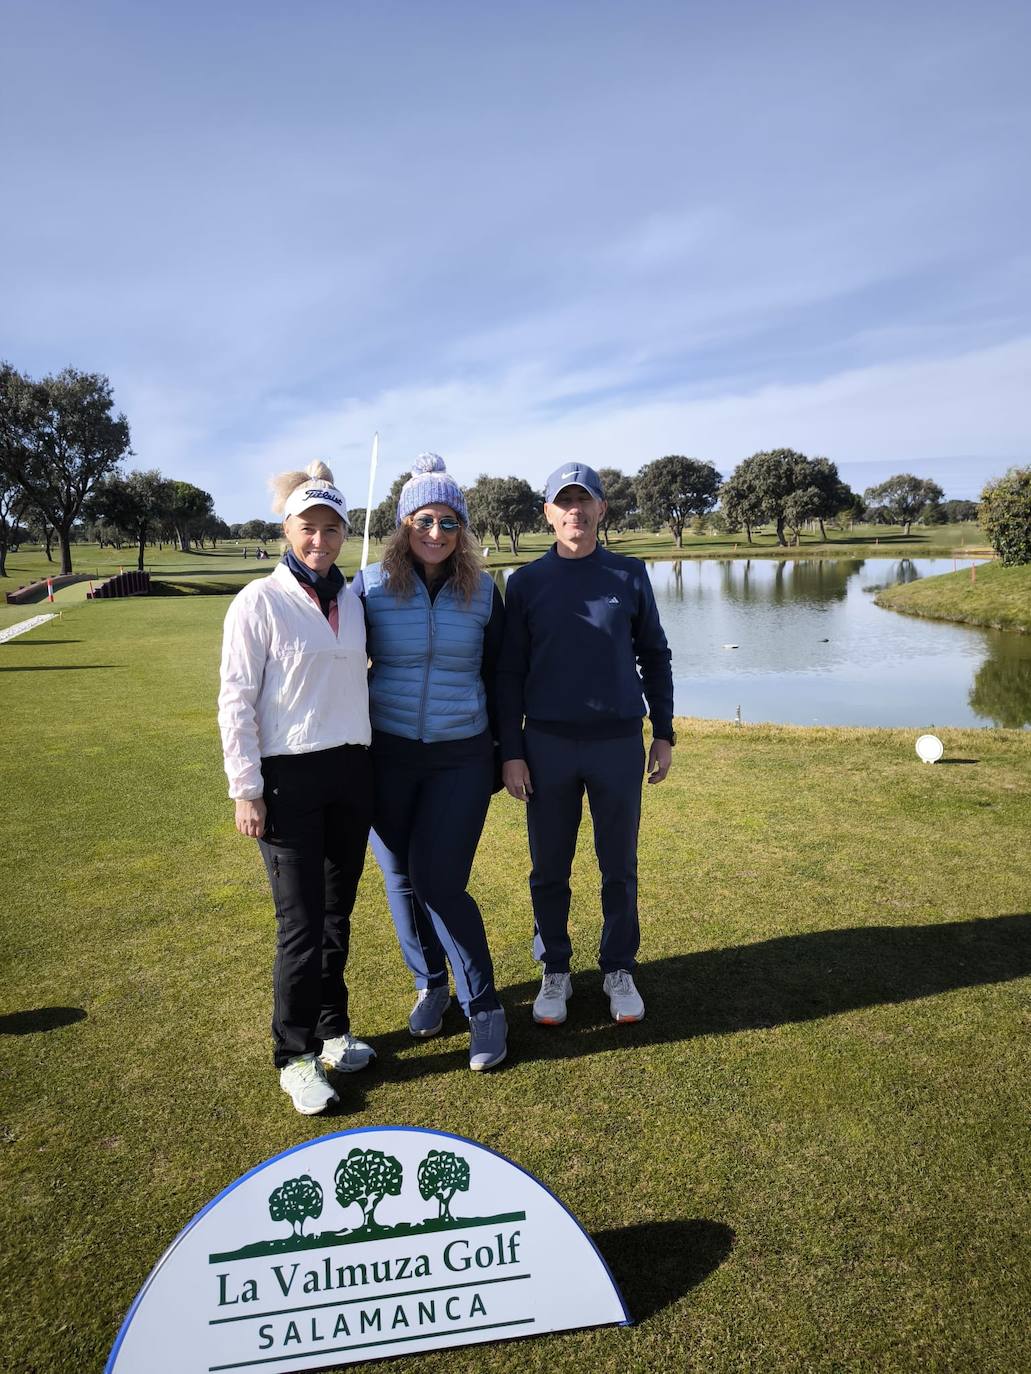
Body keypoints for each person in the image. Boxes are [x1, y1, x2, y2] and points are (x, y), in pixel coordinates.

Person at [217, 461, 375, 1115]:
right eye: (308, 527)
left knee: (337, 915)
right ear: (286, 529)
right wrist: (245, 788)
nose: (320, 540)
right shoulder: (259, 601)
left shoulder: (354, 601)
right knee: (301, 925)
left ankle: (332, 1030)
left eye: (331, 529)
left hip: (351, 773)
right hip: (288, 780)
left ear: (343, 534)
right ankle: (294, 1054)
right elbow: (236, 699)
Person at [497, 462, 675, 1026]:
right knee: (550, 867)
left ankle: (618, 967)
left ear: (601, 509)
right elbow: (508, 673)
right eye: (564, 502)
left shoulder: (629, 575)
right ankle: (555, 969)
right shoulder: (525, 584)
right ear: (548, 513)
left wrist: (663, 732)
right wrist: (511, 751)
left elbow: (655, 656)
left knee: (618, 865)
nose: (575, 510)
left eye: (584, 500)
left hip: (617, 743)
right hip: (546, 744)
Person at [353, 454, 507, 1071]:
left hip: (461, 755)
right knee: (400, 877)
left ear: (462, 528)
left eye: (449, 521)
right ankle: (432, 984)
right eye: (424, 520)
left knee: (438, 880)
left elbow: (500, 677)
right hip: (386, 754)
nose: (437, 532)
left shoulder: (485, 592)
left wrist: (508, 754)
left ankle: (484, 1006)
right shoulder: (368, 587)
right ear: (404, 524)